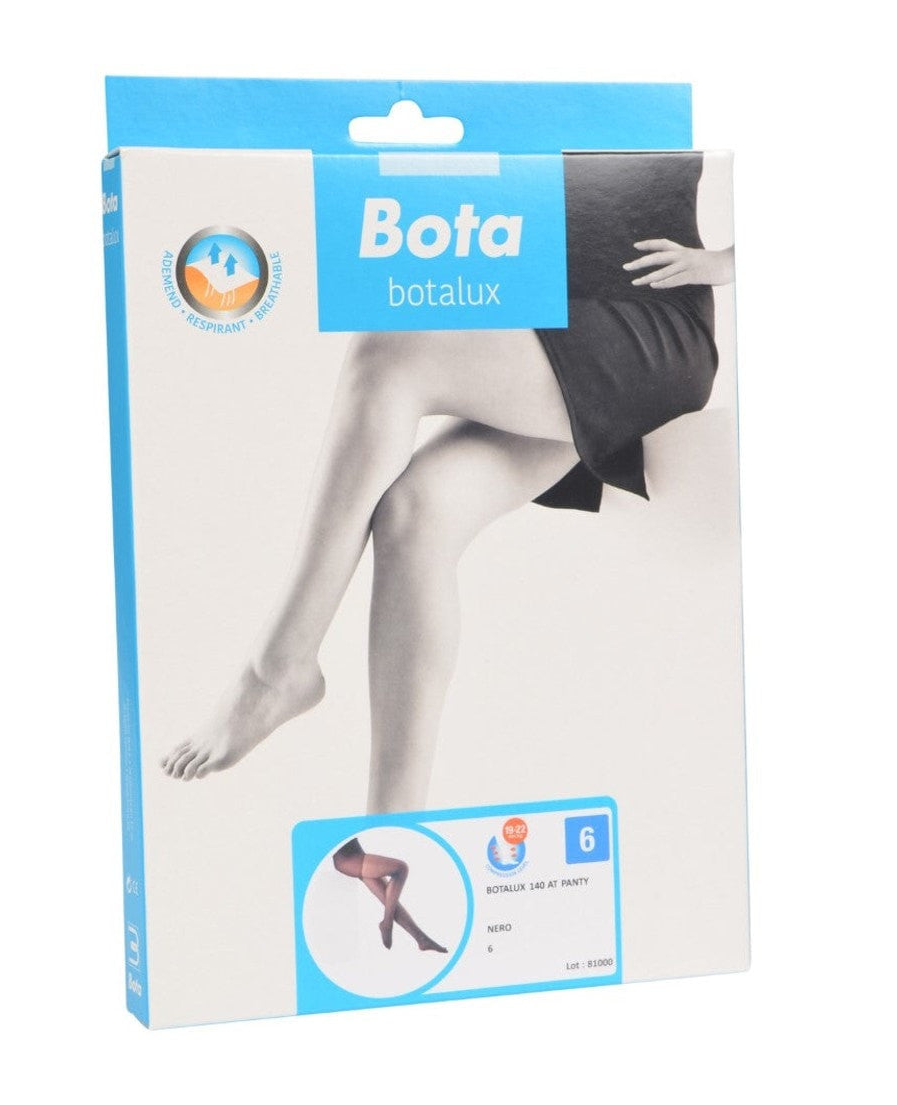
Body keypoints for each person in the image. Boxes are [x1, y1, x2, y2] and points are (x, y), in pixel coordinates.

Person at [160, 152, 734, 815]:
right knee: (416, 510)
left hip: (645, 326)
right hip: (547, 315)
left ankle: (277, 667)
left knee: (387, 352)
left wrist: (726, 262)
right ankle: (396, 830)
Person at [330, 837, 447, 952]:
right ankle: (387, 923)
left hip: (354, 856)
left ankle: (422, 939)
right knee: (401, 868)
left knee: (390, 901)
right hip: (349, 859)